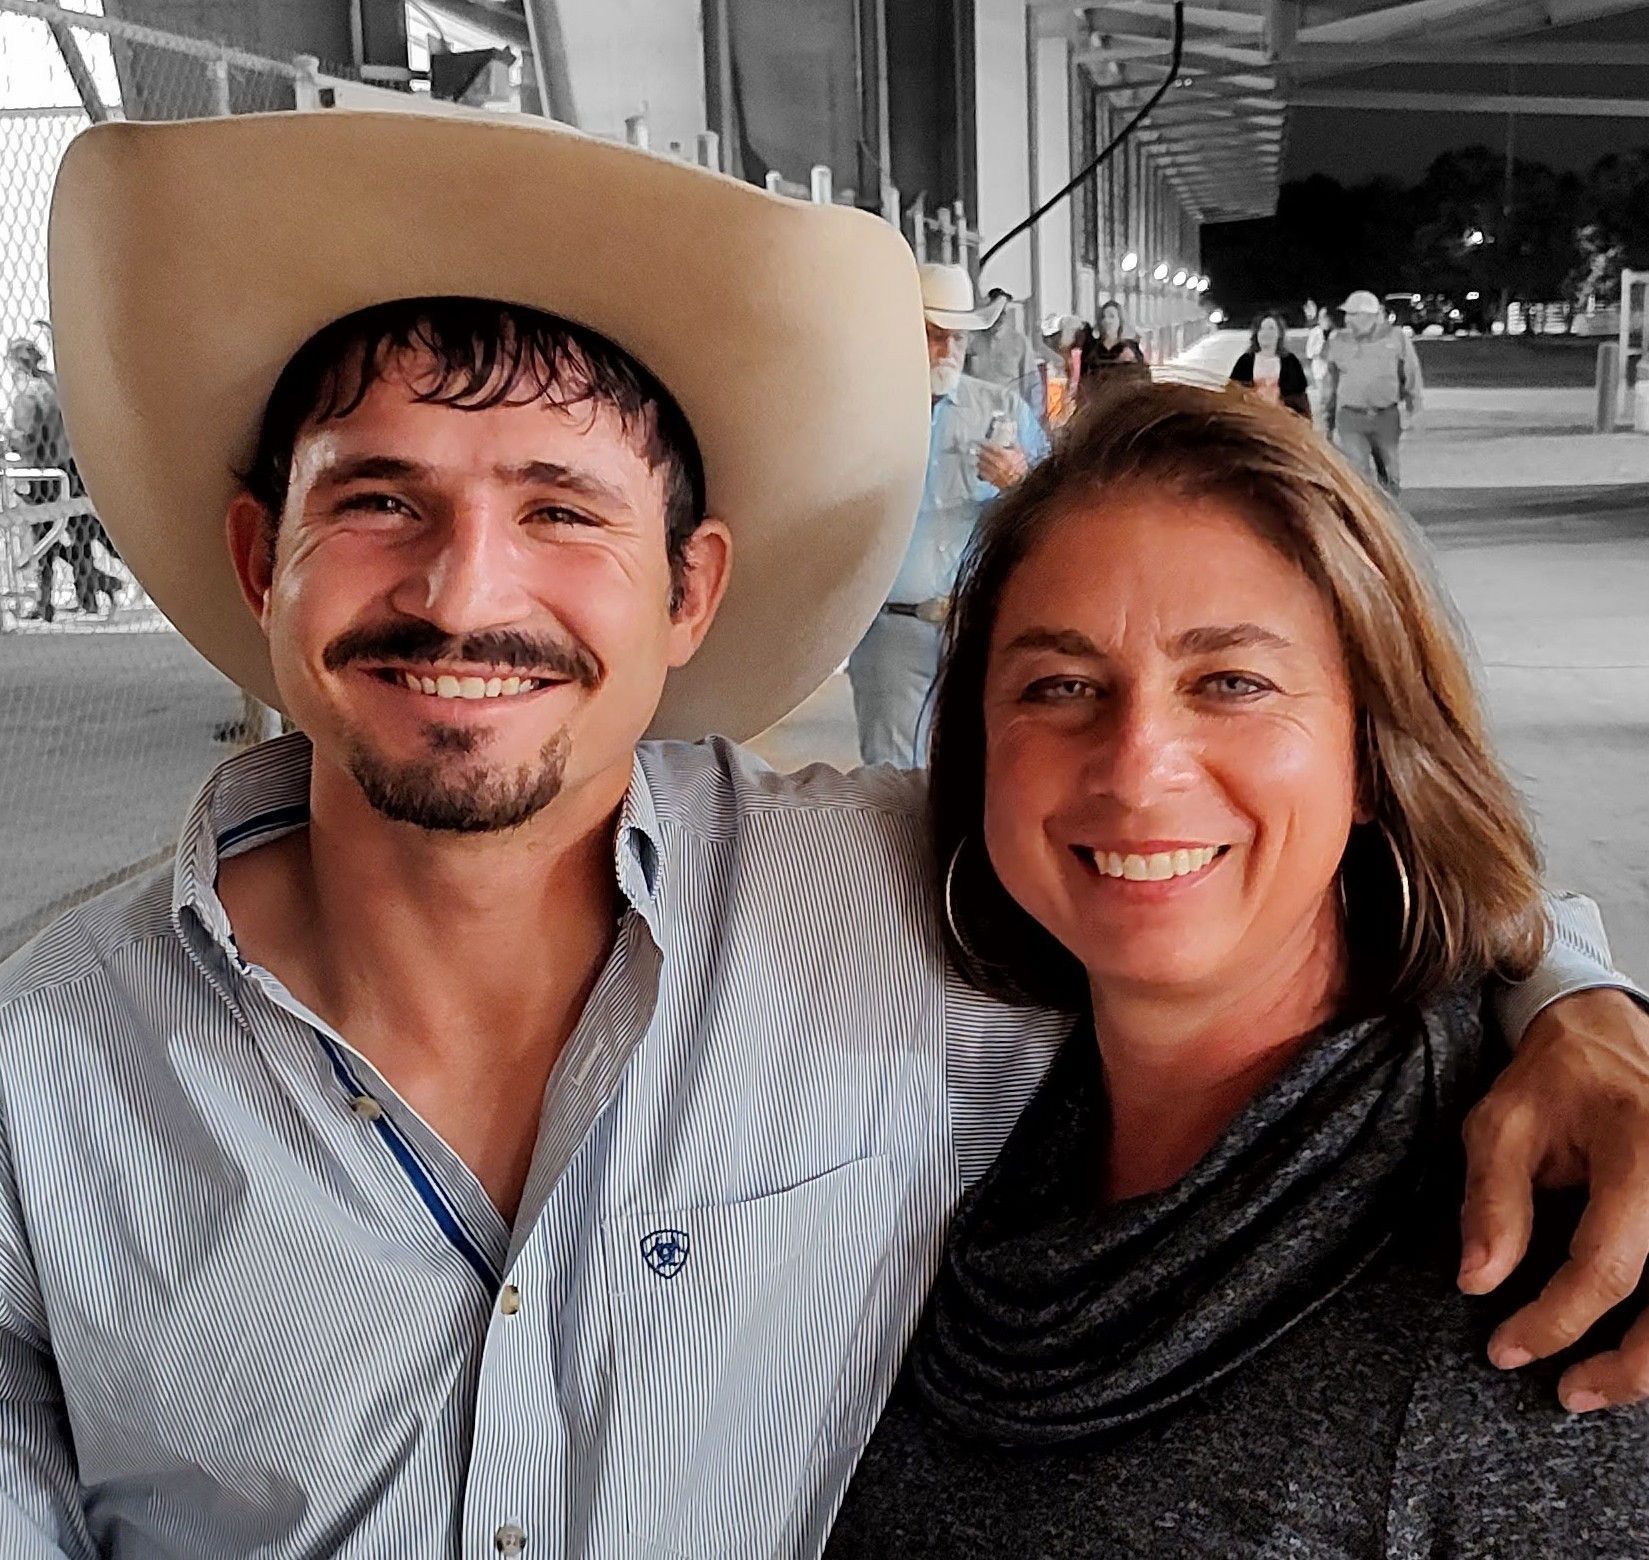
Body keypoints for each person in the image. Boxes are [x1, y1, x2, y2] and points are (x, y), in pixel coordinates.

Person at [7, 108, 1648, 1560]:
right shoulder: (38, 1081)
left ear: (688, 591)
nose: (461, 592)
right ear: (256, 557)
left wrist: (1571, 1002)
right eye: (376, 500)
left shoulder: (884, 905)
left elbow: (1238, 879)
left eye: (561, 511)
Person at [828, 381, 1649, 1554]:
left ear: (1372, 756)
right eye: (1059, 687)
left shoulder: (1544, 1281)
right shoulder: (966, 1118)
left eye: (1230, 683)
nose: (1135, 766)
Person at [847, 263, 1046, 768]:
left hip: (975, 629)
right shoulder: (867, 411)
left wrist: (1021, 483)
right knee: (891, 780)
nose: (948, 350)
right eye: (935, 336)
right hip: (891, 631)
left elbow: (1056, 516)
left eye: (957, 338)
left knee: (981, 775)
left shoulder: (1001, 409)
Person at [2, 337, 119, 619]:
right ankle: (90, 594)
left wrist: (7, 438)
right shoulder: (56, 386)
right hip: (71, 468)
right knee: (80, 538)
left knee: (43, 540)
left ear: (18, 366)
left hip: (42, 475)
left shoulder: (27, 398)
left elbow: (28, 438)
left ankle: (44, 603)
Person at [1324, 288, 1424, 495]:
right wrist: (1328, 420)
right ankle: (1365, 522)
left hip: (1386, 417)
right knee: (1357, 475)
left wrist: (1414, 409)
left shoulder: (1396, 338)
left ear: (1371, 317)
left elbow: (1411, 374)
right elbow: (1330, 383)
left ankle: (1390, 517)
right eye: (1347, 315)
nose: (1348, 320)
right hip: (1350, 417)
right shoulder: (1337, 341)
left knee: (1390, 474)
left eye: (1354, 315)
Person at [964, 286, 1047, 410]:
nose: (999, 318)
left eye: (1003, 313)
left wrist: (1032, 420)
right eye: (996, 313)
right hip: (977, 413)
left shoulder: (1019, 343)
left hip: (1009, 415)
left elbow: (1032, 386)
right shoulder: (971, 341)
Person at [1229, 312, 1311, 417]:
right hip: (1251, 421)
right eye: (1261, 329)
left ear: (1279, 334)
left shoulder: (1290, 362)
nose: (1266, 333)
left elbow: (1299, 398)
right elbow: (1233, 393)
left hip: (1283, 422)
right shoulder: (1245, 361)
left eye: (1271, 328)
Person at [1079, 298, 1147, 390]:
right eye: (1103, 317)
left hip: (1122, 398)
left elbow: (1142, 378)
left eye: (1112, 316)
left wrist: (1130, 363)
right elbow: (1083, 377)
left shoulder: (1131, 348)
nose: (1107, 320)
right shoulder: (1091, 347)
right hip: (1096, 399)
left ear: (1120, 321)